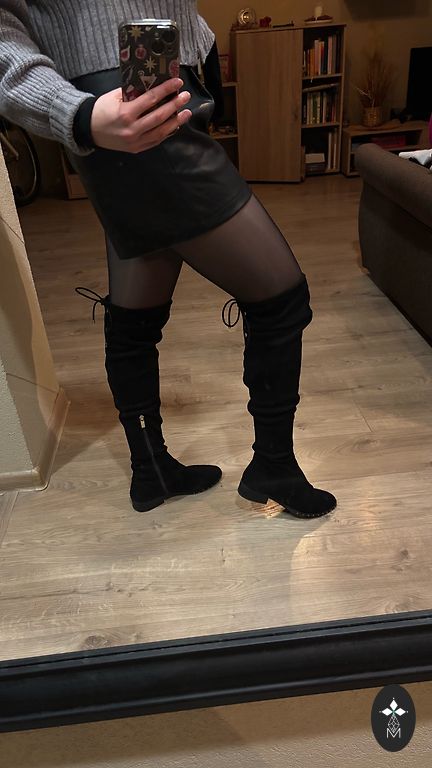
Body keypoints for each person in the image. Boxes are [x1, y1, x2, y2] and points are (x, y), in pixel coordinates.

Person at [0, 1, 337, 519]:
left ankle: (151, 470)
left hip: (148, 89)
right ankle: (273, 467)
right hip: (122, 104)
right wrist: (75, 113)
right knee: (280, 299)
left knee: (136, 318)